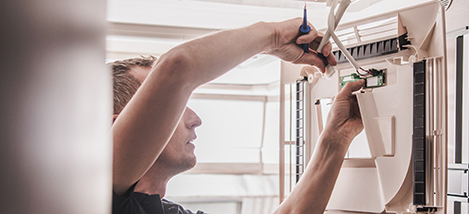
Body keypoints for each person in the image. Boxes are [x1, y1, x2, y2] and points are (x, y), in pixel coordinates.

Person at [110, 18, 365, 214]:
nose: (195, 119)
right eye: (172, 107)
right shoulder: (90, 195)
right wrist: (274, 36)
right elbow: (176, 67)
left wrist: (336, 138)